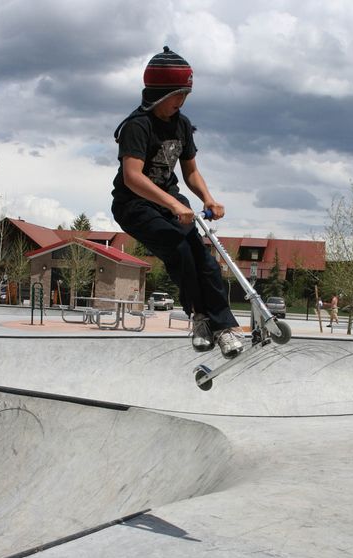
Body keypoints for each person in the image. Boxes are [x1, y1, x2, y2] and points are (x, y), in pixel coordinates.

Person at [111, 46, 243, 359]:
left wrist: (208, 199)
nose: (181, 102)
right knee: (181, 250)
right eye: (177, 95)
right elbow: (132, 176)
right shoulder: (137, 126)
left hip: (169, 201)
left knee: (203, 256)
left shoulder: (182, 125)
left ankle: (223, 328)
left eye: (186, 96)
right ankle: (199, 318)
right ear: (159, 93)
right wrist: (173, 205)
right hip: (134, 205)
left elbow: (191, 171)